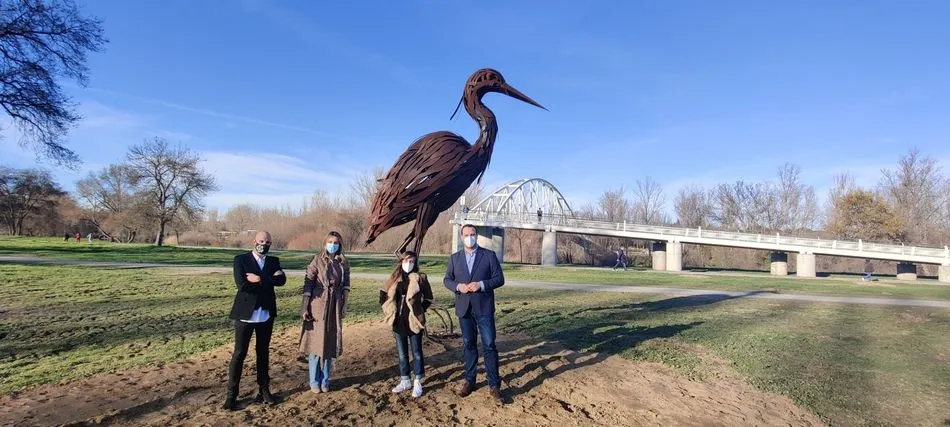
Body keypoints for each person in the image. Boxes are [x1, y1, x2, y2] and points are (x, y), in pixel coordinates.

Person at [224, 231, 286, 411]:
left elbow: (281, 280)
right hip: (245, 314)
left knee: (263, 352)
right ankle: (231, 395)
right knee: (239, 354)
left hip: (265, 314)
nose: (264, 244)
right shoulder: (241, 259)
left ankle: (264, 390)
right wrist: (269, 280)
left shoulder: (273, 261)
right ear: (254, 241)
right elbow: (242, 284)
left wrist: (259, 279)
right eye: (261, 241)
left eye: (267, 241)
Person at [443, 224, 506, 403]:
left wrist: (482, 284)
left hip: (484, 308)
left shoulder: (489, 255)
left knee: (489, 345)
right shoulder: (455, 258)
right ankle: (469, 381)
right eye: (466, 235)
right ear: (461, 237)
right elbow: (447, 279)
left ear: (476, 236)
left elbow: (499, 279)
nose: (470, 237)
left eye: (472, 234)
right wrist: (457, 287)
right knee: (469, 345)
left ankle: (494, 384)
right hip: (464, 309)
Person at [299, 231, 350, 393]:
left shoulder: (343, 262)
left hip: (335, 304)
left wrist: (344, 305)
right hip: (317, 304)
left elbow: (346, 285)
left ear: (340, 244)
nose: (333, 245)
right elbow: (308, 283)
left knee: (329, 345)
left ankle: (325, 379)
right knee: (315, 345)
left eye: (336, 242)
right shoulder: (316, 259)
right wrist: (305, 306)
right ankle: (314, 380)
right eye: (330, 242)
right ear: (325, 243)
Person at [379, 251, 434, 398]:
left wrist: (420, 310)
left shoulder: (420, 278)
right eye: (406, 261)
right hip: (398, 321)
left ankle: (418, 381)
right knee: (402, 354)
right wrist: (387, 308)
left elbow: (429, 298)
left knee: (417, 352)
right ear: (401, 261)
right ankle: (405, 380)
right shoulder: (394, 277)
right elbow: (383, 292)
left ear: (415, 263)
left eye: (412, 261)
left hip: (414, 321)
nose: (408, 264)